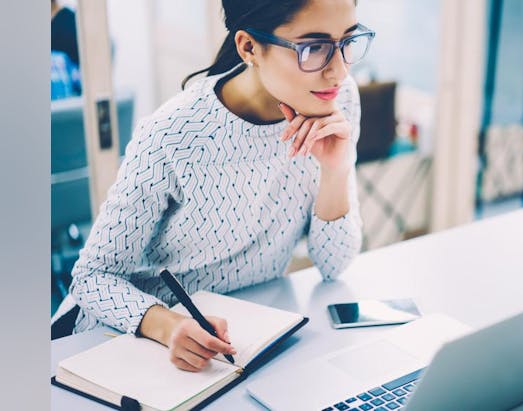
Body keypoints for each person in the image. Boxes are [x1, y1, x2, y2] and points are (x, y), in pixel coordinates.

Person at [56, 0, 373, 373]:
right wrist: (166, 325)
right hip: (130, 343)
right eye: (314, 48)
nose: (338, 71)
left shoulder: (338, 102)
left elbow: (335, 264)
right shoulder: (173, 134)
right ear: (249, 47)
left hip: (244, 341)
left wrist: (337, 168)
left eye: (348, 41)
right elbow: (92, 278)